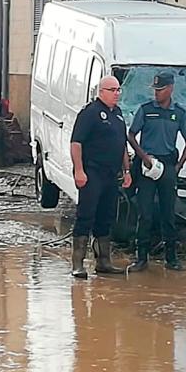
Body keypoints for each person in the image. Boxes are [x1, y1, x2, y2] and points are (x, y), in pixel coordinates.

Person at [127, 71, 186, 272]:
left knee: (168, 213)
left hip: (168, 165)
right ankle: (141, 258)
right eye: (155, 90)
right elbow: (131, 135)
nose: (157, 94)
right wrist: (143, 157)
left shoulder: (180, 113)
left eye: (161, 90)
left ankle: (171, 259)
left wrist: (179, 165)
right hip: (147, 166)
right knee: (145, 213)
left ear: (171, 88)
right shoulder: (146, 110)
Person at [69, 75, 132, 279]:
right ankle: (77, 263)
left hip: (111, 174)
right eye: (112, 90)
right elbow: (76, 143)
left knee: (106, 217)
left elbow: (122, 144)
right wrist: (79, 170)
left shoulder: (118, 115)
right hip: (92, 172)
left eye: (118, 90)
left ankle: (103, 261)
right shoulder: (90, 114)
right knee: (86, 215)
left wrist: (127, 170)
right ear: (101, 91)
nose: (117, 94)